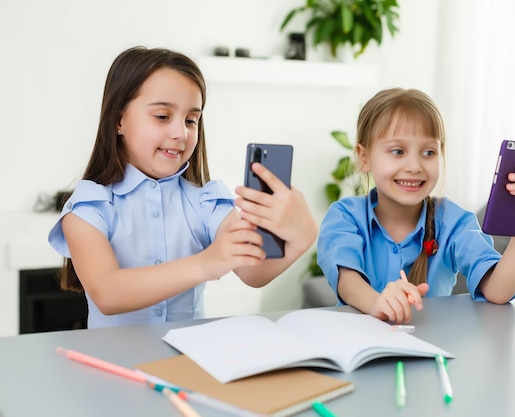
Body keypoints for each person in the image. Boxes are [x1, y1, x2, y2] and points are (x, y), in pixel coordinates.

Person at [48, 46, 317, 328]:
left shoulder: (205, 201)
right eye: (162, 116)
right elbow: (107, 293)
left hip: (187, 364)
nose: (181, 133)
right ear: (118, 121)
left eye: (191, 120)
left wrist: (303, 236)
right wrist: (205, 263)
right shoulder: (90, 205)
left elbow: (253, 273)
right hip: (113, 368)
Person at [317, 88, 515, 324]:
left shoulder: (454, 222)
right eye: (397, 151)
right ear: (364, 157)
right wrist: (377, 303)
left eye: (428, 152)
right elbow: (347, 280)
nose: (414, 166)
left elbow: (499, 292)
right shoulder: (345, 216)